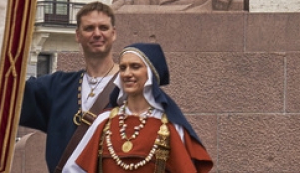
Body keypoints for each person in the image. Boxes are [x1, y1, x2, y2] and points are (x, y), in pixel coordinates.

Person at [62, 42, 213, 173]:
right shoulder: (104, 121)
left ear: (150, 73)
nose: (127, 73)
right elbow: (74, 169)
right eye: (123, 68)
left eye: (135, 67)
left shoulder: (170, 127)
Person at [21, 2, 122, 173]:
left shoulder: (131, 87)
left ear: (113, 34)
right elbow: (10, 96)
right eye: (89, 28)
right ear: (78, 35)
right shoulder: (57, 87)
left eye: (103, 27)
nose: (97, 33)